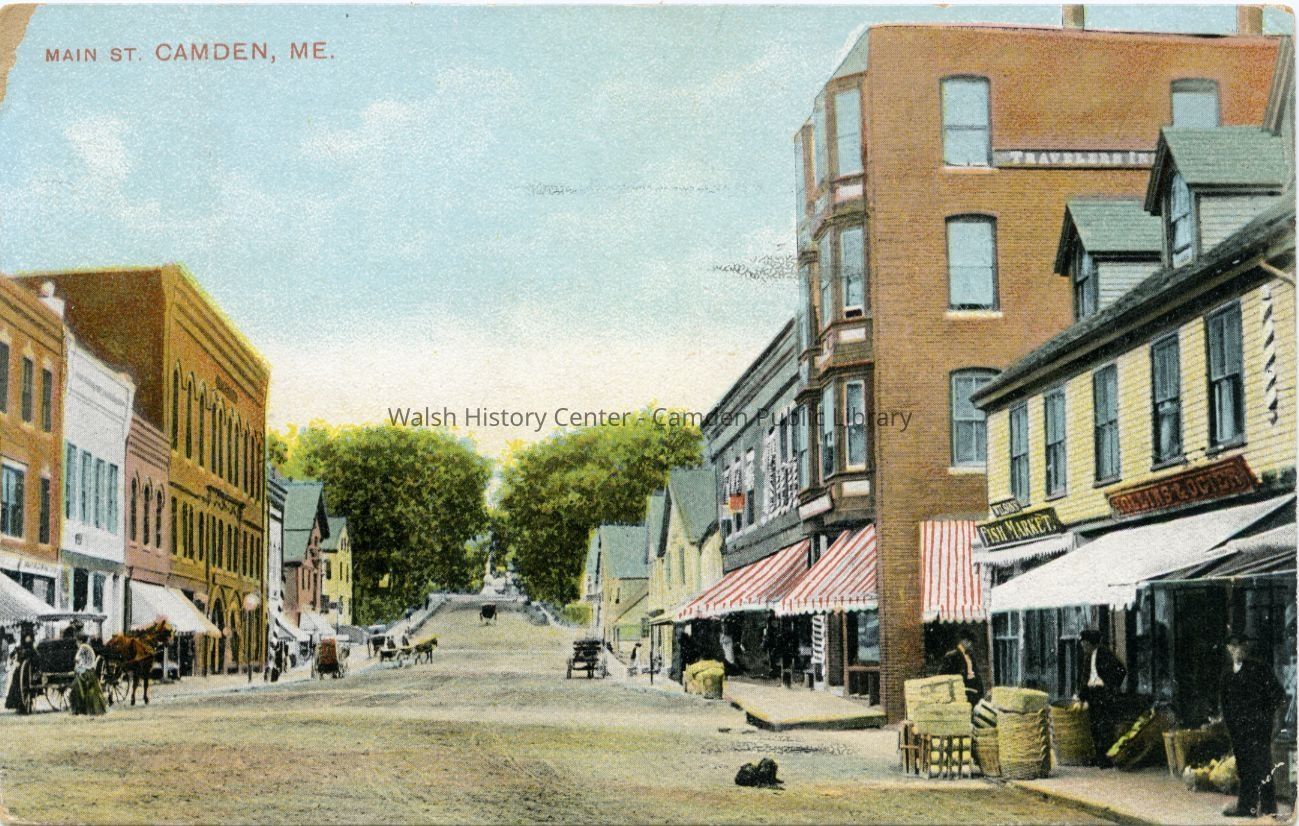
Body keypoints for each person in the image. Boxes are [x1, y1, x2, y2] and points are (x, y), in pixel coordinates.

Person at [1220, 634, 1287, 818]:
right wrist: (1229, 729)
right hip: (1238, 731)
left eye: (1242, 645)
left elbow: (1278, 695)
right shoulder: (1227, 675)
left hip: (1258, 729)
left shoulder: (1259, 669)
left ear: (1247, 647)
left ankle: (1269, 810)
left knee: (1262, 768)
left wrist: (1272, 721)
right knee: (1244, 768)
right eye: (1234, 646)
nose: (1238, 650)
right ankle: (1246, 807)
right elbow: (1225, 705)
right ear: (1228, 649)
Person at [1077, 629, 1126, 767]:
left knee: (1104, 726)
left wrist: (1110, 686)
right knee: (1094, 726)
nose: (1083, 647)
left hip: (1102, 694)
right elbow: (1085, 678)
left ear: (1091, 643)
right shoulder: (1088, 657)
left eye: (1085, 644)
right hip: (1092, 694)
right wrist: (1081, 696)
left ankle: (1106, 758)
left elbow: (1121, 670)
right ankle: (1099, 756)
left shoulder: (1104, 654)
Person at [69, 632, 107, 716]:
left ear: (80, 641)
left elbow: (77, 658)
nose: (76, 643)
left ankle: (77, 710)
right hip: (91, 672)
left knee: (75, 688)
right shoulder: (88, 647)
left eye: (77, 641)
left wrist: (77, 666)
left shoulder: (83, 647)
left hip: (85, 672)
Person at [941, 634, 985, 703]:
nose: (970, 644)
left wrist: (980, 691)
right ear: (963, 641)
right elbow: (943, 675)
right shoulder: (952, 656)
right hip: (960, 690)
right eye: (968, 641)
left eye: (970, 642)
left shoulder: (970, 655)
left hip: (973, 691)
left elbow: (976, 673)